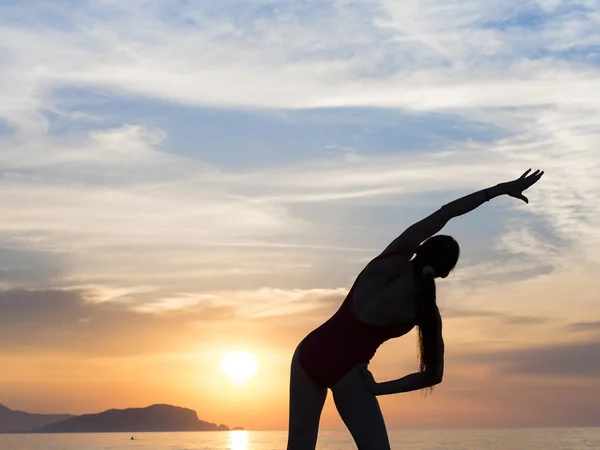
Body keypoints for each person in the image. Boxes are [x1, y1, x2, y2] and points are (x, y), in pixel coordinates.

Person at [286, 169, 544, 450]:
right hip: (349, 371)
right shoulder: (425, 311)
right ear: (445, 274)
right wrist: (379, 388)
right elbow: (433, 375)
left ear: (421, 249)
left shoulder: (392, 258)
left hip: (308, 352)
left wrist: (498, 189)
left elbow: (447, 212)